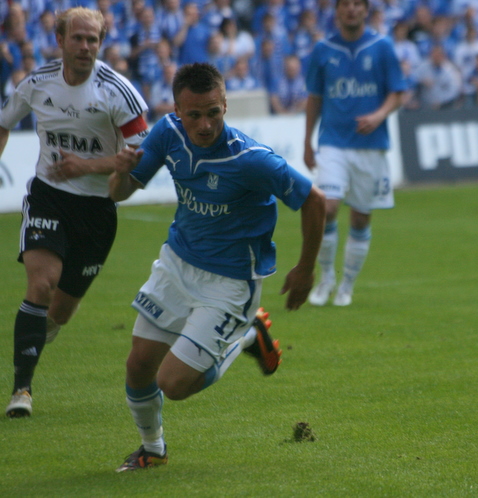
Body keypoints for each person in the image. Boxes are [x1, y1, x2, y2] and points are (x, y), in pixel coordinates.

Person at [108, 62, 325, 471]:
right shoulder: (167, 134)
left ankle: (246, 335)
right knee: (138, 365)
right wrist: (119, 175)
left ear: (225, 105)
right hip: (177, 263)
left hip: (230, 281)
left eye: (213, 112)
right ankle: (152, 450)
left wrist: (306, 268)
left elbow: (314, 200)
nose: (205, 124)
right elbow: (120, 192)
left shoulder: (251, 160)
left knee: (173, 384)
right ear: (176, 110)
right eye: (194, 114)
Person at [1, 7, 149, 418]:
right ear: (60, 41)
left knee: (60, 312)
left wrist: (87, 166)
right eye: (78, 38)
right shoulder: (37, 82)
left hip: (97, 210)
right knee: (41, 285)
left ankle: (34, 335)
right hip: (48, 197)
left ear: (101, 43)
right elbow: (4, 122)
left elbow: (144, 154)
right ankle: (22, 390)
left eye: (93, 40)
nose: (85, 47)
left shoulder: (117, 91)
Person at [303, 0, 407, 307]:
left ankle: (346, 284)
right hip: (332, 142)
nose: (351, 9)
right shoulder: (323, 50)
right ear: (337, 11)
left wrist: (378, 116)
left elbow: (398, 93)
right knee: (327, 207)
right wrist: (307, 141)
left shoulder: (382, 47)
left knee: (360, 218)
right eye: (345, 4)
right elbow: (314, 97)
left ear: (365, 10)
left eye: (357, 4)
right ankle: (326, 278)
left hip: (370, 144)